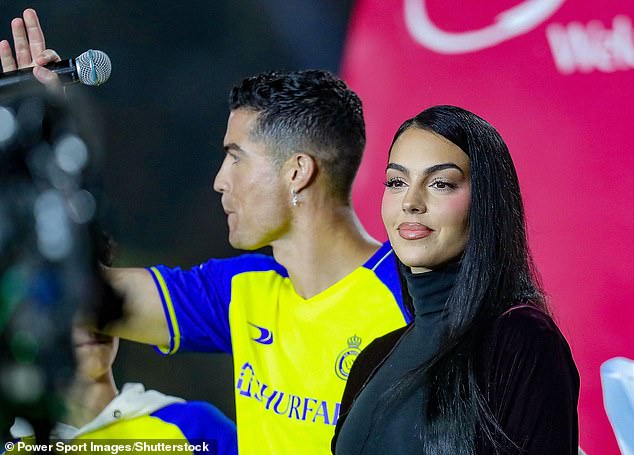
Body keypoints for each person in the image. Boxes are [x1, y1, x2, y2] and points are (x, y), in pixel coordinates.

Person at [1, 9, 411, 454]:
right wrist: (39, 143)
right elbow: (73, 291)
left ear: (297, 172)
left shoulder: (416, 297)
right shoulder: (238, 291)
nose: (219, 180)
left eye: (236, 156)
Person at [332, 105, 580, 454]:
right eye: (396, 182)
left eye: (441, 184)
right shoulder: (372, 359)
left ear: (486, 202)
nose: (411, 202)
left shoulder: (521, 340)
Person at [4, 327, 238, 455]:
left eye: (100, 300)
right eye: (69, 304)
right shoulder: (14, 449)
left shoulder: (194, 428)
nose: (89, 321)